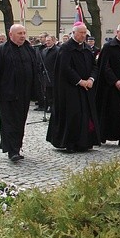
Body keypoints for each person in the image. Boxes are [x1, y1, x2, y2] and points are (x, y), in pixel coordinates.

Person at [0, 24, 38, 162]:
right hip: (7, 93)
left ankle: (17, 146)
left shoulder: (29, 50)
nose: (22, 36)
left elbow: (35, 70)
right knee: (9, 122)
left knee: (20, 121)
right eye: (19, 33)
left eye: (24, 33)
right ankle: (12, 150)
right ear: (11, 35)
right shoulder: (1, 50)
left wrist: (37, 91)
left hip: (24, 93)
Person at [46, 23, 101, 152]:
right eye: (81, 33)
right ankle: (70, 142)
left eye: (84, 33)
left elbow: (94, 66)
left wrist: (91, 79)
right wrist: (79, 81)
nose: (83, 36)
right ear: (74, 33)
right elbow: (65, 68)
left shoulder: (87, 48)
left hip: (87, 88)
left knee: (86, 115)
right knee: (72, 115)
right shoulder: (65, 48)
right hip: (70, 89)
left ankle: (85, 142)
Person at [40, 35, 59, 112]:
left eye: (49, 40)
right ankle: (49, 105)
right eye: (46, 40)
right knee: (47, 92)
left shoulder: (57, 50)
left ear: (53, 41)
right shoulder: (44, 51)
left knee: (54, 92)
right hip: (45, 75)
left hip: (54, 75)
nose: (47, 42)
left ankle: (54, 107)